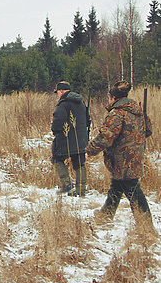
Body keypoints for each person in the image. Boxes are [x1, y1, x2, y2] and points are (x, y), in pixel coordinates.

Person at [86, 81, 156, 235]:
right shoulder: (138, 111)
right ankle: (106, 214)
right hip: (136, 156)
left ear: (113, 98)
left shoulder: (117, 113)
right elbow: (148, 131)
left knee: (132, 190)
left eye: (109, 98)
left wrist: (91, 149)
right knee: (117, 185)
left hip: (122, 158)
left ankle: (146, 226)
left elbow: (106, 137)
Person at [51, 81, 90, 196]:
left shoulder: (63, 104)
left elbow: (57, 122)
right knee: (79, 164)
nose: (57, 95)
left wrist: (55, 132)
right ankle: (81, 189)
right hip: (82, 139)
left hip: (66, 139)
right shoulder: (81, 102)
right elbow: (88, 120)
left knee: (56, 159)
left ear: (61, 91)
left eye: (57, 92)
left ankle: (67, 185)